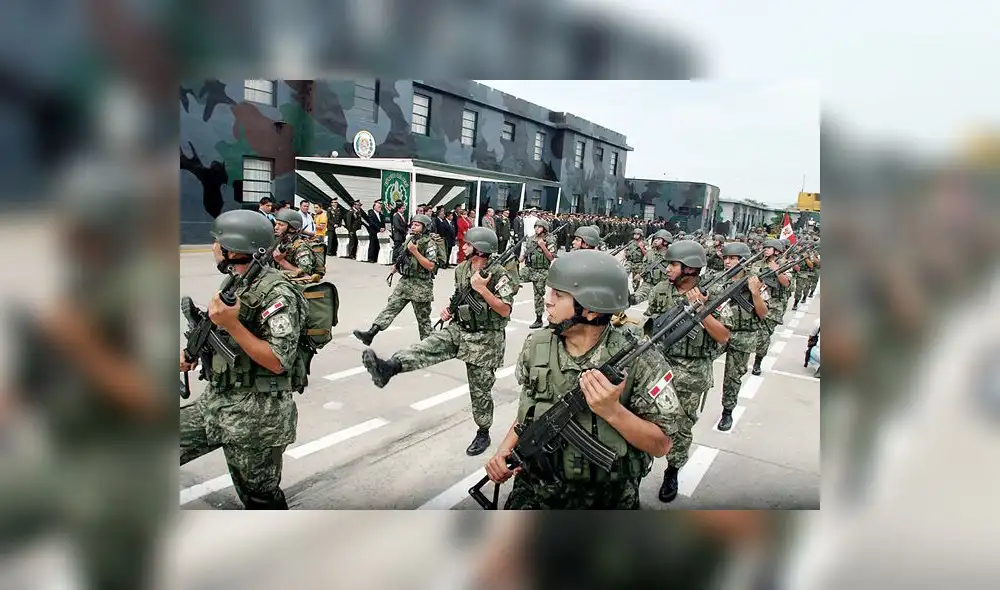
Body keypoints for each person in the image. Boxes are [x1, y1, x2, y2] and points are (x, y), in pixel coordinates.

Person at [483, 249, 685, 509]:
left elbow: (661, 445)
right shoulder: (537, 344)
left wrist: (612, 411)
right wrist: (504, 451)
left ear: (589, 310)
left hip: (607, 501)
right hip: (534, 492)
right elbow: (531, 409)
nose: (548, 301)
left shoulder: (639, 360)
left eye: (559, 295)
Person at [180, 209, 309, 509]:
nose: (213, 246)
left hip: (257, 419)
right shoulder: (236, 282)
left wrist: (232, 324)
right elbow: (221, 334)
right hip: (217, 402)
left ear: (233, 249)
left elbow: (279, 359)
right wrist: (192, 353)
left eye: (217, 241)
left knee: (260, 500)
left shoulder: (278, 292)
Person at [361, 227, 515, 455]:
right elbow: (461, 296)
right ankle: (389, 368)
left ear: (480, 250)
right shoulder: (462, 269)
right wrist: (450, 311)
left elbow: (504, 310)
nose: (462, 246)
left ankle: (483, 432)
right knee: (428, 346)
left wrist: (482, 289)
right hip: (459, 329)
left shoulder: (500, 274)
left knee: (480, 390)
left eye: (467, 244)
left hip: (486, 339)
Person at [643, 241, 730, 503]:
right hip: (658, 366)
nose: (668, 268)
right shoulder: (661, 290)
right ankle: (640, 465)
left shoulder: (713, 295)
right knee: (646, 419)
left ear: (690, 269)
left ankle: (672, 471)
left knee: (681, 428)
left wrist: (701, 311)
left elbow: (724, 336)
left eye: (673, 264)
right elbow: (649, 325)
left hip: (692, 373)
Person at [354, 214, 438, 344]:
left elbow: (431, 266)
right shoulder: (410, 239)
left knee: (423, 319)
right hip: (405, 282)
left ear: (425, 227)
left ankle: (428, 346)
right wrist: (396, 267)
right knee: (391, 307)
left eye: (417, 225)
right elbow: (403, 255)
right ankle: (371, 333)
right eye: (413, 224)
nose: (413, 227)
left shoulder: (430, 244)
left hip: (421, 285)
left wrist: (415, 252)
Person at [714, 242, 767, 432]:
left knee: (733, 377)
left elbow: (763, 314)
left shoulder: (756, 281)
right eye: (726, 258)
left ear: (743, 261)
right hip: (720, 331)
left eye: (732, 258)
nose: (727, 262)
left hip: (744, 335)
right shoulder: (718, 279)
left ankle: (727, 411)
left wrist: (755, 294)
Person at [750, 239, 792, 376]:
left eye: (769, 248)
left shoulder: (784, 265)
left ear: (777, 251)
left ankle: (758, 361)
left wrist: (777, 271)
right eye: (765, 247)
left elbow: (786, 283)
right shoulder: (757, 264)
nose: (766, 250)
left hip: (773, 305)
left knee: (764, 335)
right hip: (757, 301)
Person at [519, 218, 559, 328]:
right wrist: (521, 258)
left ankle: (539, 319)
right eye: (536, 227)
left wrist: (543, 246)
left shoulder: (550, 239)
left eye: (539, 227)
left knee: (538, 295)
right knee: (513, 279)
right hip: (529, 268)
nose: (537, 229)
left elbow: (551, 258)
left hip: (542, 271)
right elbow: (524, 253)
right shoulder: (531, 239)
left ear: (545, 229)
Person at [272, 209, 323, 283]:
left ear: (292, 229)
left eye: (281, 225)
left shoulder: (301, 247)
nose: (276, 227)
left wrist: (281, 261)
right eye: (276, 224)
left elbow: (306, 275)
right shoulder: (281, 242)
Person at [633, 229, 672, 305]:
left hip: (663, 286)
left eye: (659, 239)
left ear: (666, 242)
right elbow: (644, 266)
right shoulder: (650, 253)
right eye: (655, 239)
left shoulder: (670, 255)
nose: (655, 241)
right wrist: (639, 274)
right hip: (648, 284)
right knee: (635, 299)